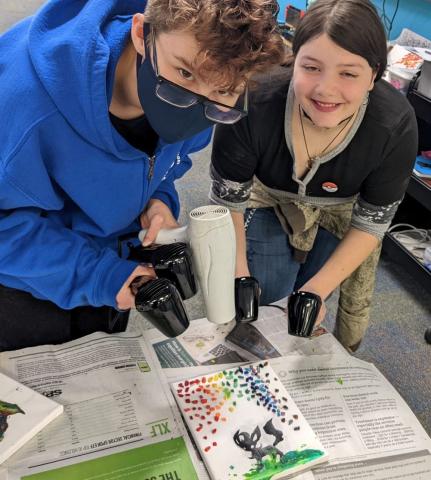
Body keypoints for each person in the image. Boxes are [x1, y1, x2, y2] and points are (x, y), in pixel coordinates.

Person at [0, 0, 286, 351]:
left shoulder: (208, 94)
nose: (195, 106)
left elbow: (166, 162)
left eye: (223, 92)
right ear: (140, 32)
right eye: (184, 74)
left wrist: (157, 202)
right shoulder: (26, 109)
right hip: (24, 280)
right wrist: (101, 275)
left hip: (111, 270)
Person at [210, 0, 418, 351]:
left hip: (342, 210)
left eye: (348, 73)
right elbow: (228, 202)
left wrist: (315, 291)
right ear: (294, 59)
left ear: (374, 75)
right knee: (266, 300)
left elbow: (370, 225)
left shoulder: (394, 126)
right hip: (269, 195)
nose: (325, 89)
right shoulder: (254, 100)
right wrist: (239, 273)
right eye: (311, 67)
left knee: (307, 302)